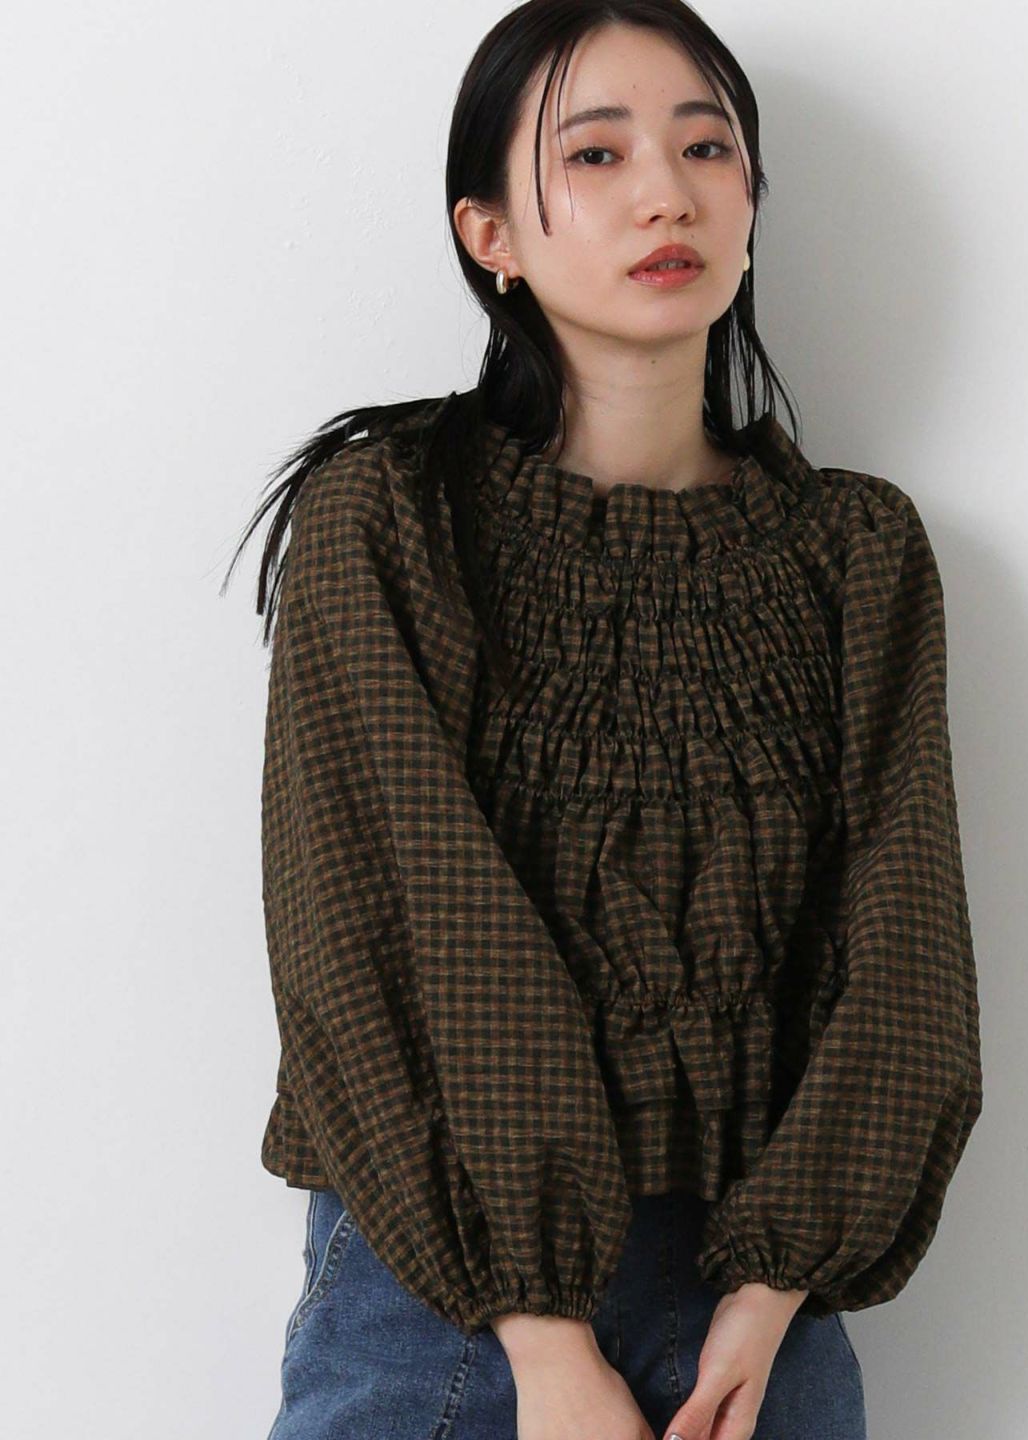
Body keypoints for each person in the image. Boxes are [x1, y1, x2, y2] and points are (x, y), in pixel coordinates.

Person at [225, 3, 983, 1437]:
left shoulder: (858, 551)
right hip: (445, 1309)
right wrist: (543, 1338)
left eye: (708, 147)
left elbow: (907, 949)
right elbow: (384, 923)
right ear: (489, 233)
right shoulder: (389, 520)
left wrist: (772, 1292)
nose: (666, 194)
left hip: (753, 1321)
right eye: (595, 154)